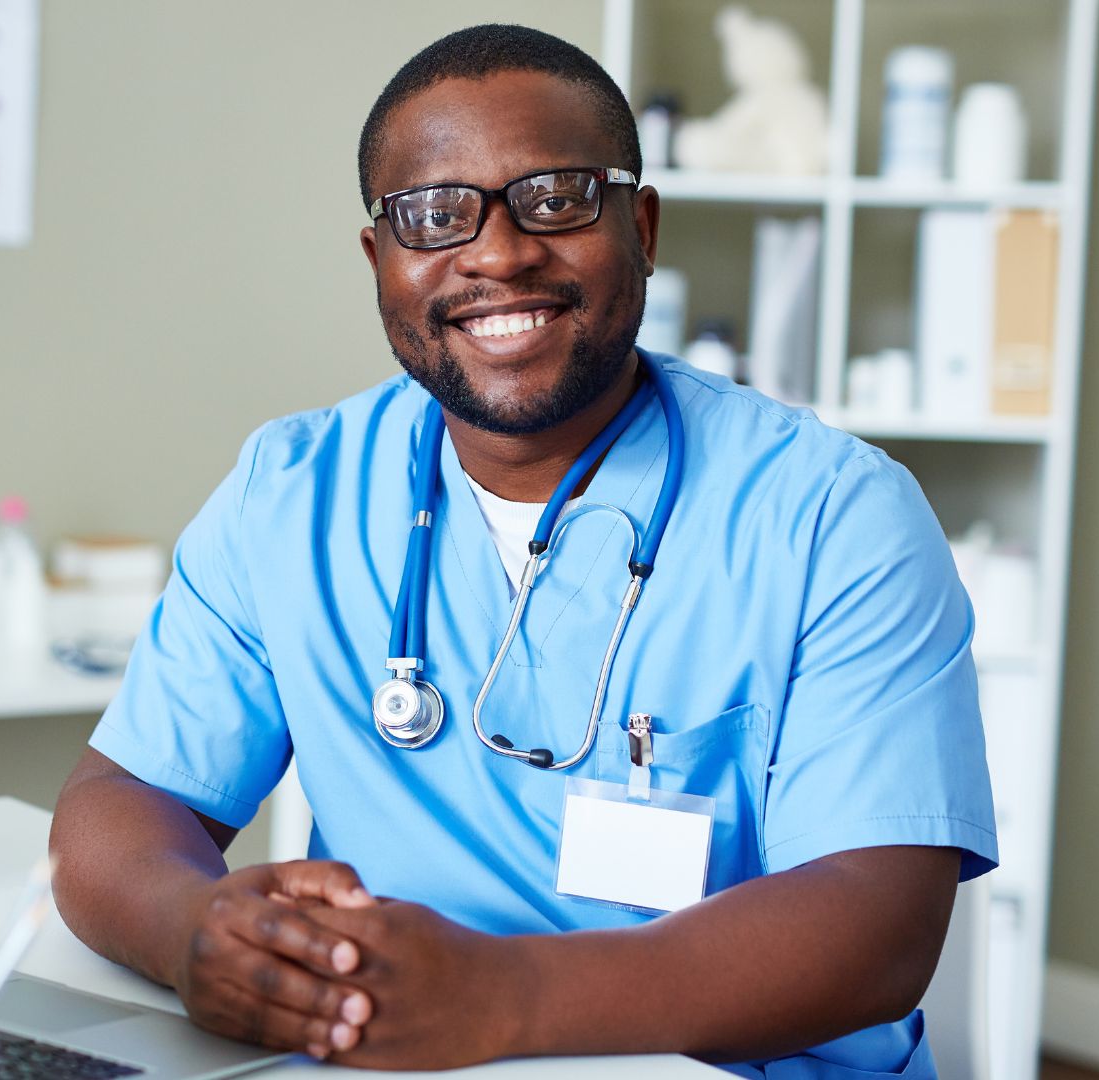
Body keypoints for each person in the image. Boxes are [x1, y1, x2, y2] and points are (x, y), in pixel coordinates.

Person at [50, 24, 994, 1079]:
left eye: (557, 198)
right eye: (433, 216)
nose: (498, 253)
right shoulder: (293, 492)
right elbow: (123, 805)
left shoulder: (833, 516)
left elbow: (878, 928)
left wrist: (503, 999)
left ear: (641, 224)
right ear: (381, 261)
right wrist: (195, 932)